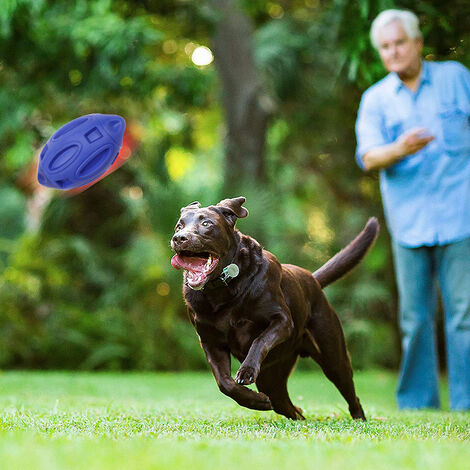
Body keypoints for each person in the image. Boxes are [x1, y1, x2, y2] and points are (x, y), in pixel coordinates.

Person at [355, 9, 470, 410]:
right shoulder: (376, 100)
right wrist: (399, 148)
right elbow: (368, 157)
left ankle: (466, 401)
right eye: (385, 47)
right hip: (409, 223)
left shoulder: (457, 78)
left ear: (418, 43)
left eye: (400, 42)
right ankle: (418, 403)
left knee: (464, 314)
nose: (393, 52)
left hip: (462, 216)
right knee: (415, 319)